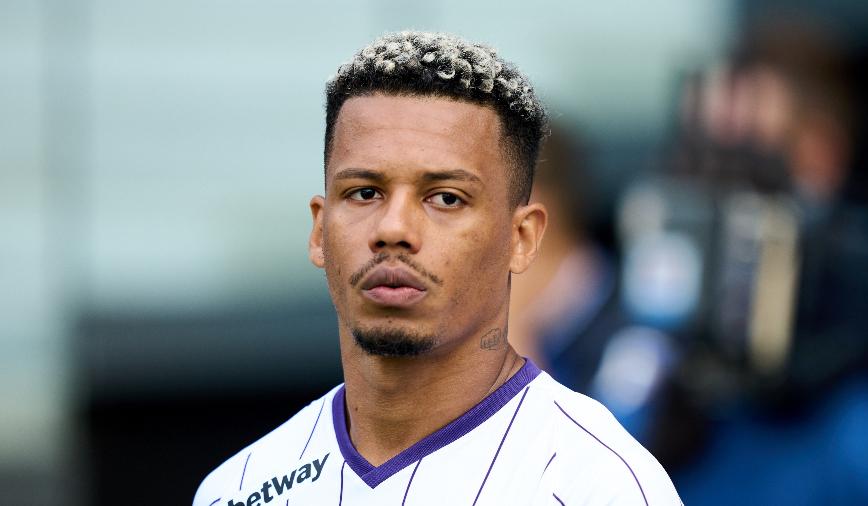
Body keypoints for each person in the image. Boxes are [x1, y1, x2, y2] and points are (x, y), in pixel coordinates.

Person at [193, 31, 680, 506]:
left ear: (522, 238)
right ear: (320, 231)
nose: (393, 228)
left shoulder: (600, 486)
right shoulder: (236, 489)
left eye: (446, 198)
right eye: (364, 192)